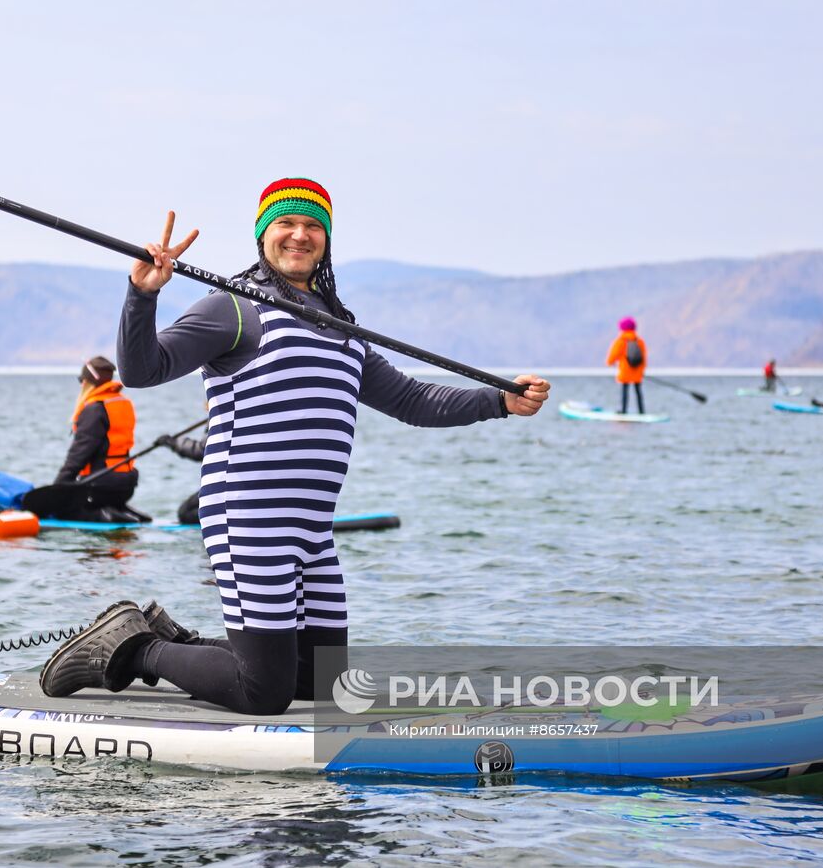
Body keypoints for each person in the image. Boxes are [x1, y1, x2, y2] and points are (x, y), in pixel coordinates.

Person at [39, 177, 550, 715]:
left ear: (326, 240)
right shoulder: (234, 309)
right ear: (263, 235)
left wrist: (498, 401)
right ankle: (136, 648)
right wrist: (142, 295)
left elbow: (413, 401)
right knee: (265, 694)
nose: (299, 235)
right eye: (285, 223)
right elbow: (143, 370)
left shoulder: (341, 329)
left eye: (312, 226)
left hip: (312, 530)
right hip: (249, 517)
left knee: (323, 685)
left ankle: (169, 637)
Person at [24, 357, 140, 520]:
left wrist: (58, 489)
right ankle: (121, 509)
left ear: (87, 382)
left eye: (81, 380)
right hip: (126, 485)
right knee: (89, 493)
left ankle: (106, 515)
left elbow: (78, 455)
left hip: (101, 485)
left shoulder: (94, 409)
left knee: (63, 511)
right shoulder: (122, 403)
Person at [156, 429, 205, 524]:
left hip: (224, 484)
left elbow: (203, 450)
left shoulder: (219, 416)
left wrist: (173, 443)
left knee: (185, 514)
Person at [606, 317, 647, 414]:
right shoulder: (639, 341)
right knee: (638, 392)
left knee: (625, 392)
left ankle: (624, 411)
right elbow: (644, 358)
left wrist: (610, 362)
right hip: (637, 371)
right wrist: (642, 370)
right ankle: (641, 411)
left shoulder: (621, 341)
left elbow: (614, 354)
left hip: (625, 370)